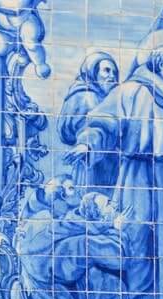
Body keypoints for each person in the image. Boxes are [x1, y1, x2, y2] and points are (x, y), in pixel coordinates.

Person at [69, 44, 163, 299]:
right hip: (137, 171)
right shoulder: (132, 91)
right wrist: (88, 142)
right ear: (160, 65)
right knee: (135, 233)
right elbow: (103, 121)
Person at [57, 52, 120, 193]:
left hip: (110, 164)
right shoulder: (87, 97)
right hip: (93, 165)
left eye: (115, 73)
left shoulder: (111, 99)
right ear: (93, 72)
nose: (112, 76)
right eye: (107, 71)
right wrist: (87, 143)